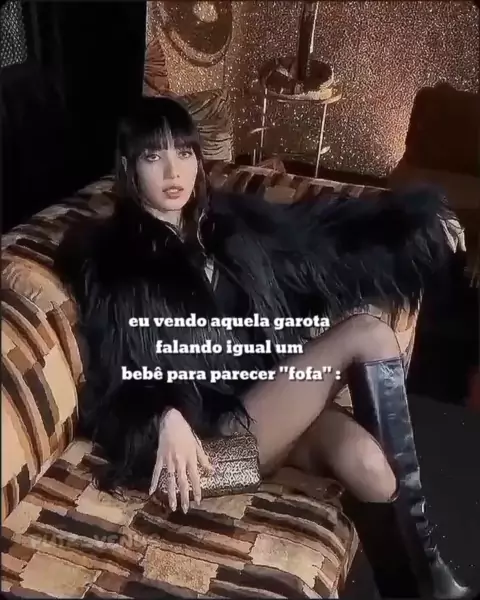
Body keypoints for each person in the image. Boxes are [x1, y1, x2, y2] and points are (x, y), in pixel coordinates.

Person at [54, 95, 470, 599]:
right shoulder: (114, 261)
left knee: (371, 469)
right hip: (199, 462)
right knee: (367, 333)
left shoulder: (227, 228)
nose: (172, 171)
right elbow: (112, 379)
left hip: (257, 419)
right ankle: (436, 579)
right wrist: (162, 415)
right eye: (152, 156)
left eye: (184, 152)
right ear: (128, 166)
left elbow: (326, 242)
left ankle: (416, 590)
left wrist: (417, 226)